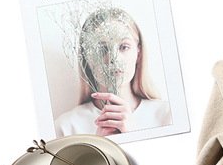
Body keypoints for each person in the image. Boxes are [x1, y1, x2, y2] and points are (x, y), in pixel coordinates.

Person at [54, 7, 172, 137]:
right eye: (102, 49)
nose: (113, 58)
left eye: (124, 47)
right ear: (87, 59)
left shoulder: (167, 116)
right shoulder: (65, 128)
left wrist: (135, 135)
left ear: (138, 54)